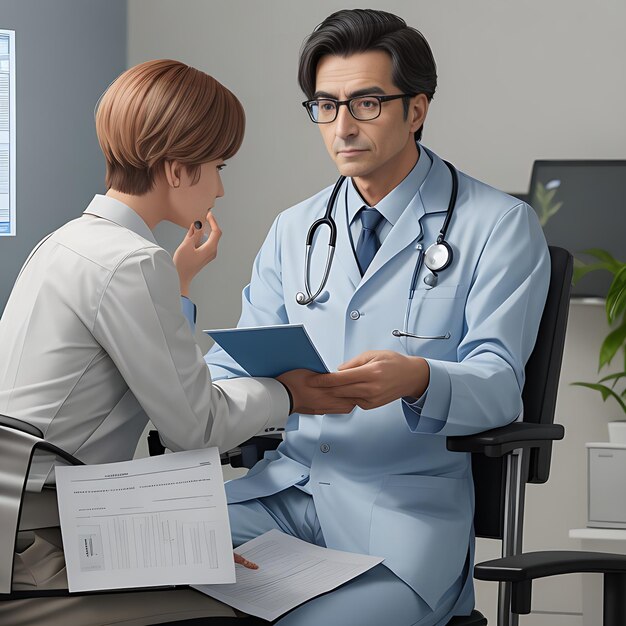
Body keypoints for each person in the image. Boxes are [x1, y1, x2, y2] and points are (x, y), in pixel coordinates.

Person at [199, 9, 551, 626]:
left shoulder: (497, 226)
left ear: (416, 109)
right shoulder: (296, 228)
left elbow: (498, 385)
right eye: (326, 106)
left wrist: (418, 378)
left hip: (403, 521)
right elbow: (230, 363)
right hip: (283, 493)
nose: (343, 126)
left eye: (367, 103)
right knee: (143, 575)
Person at [0, 59, 355, 625]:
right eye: (216, 165)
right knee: (238, 608)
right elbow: (196, 428)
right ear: (176, 169)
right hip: (44, 546)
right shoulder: (131, 262)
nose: (219, 186)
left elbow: (128, 368)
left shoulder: (68, 243)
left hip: (30, 518)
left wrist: (178, 280)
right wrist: (290, 395)